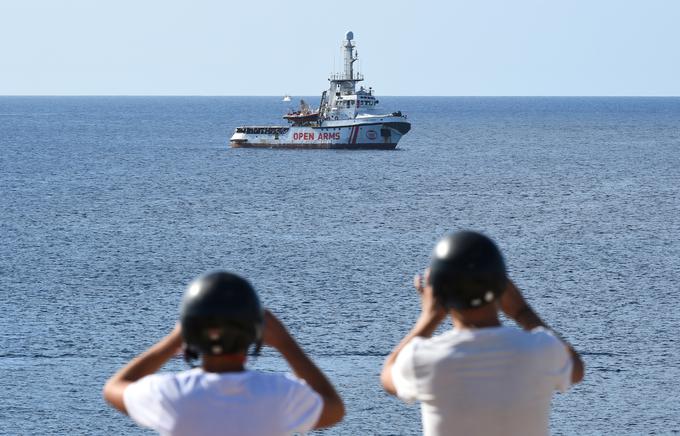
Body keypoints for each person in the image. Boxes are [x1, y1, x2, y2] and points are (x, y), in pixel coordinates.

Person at [381, 231, 584, 436]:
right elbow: (576, 369)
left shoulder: (423, 358)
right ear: (502, 286)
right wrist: (523, 312)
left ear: (436, 292)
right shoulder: (541, 350)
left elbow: (388, 376)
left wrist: (428, 319)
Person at [103, 271, 344, 435]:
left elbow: (115, 386)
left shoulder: (171, 394)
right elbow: (333, 408)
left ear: (190, 332)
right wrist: (285, 343)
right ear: (255, 332)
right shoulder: (280, 393)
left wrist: (171, 341)